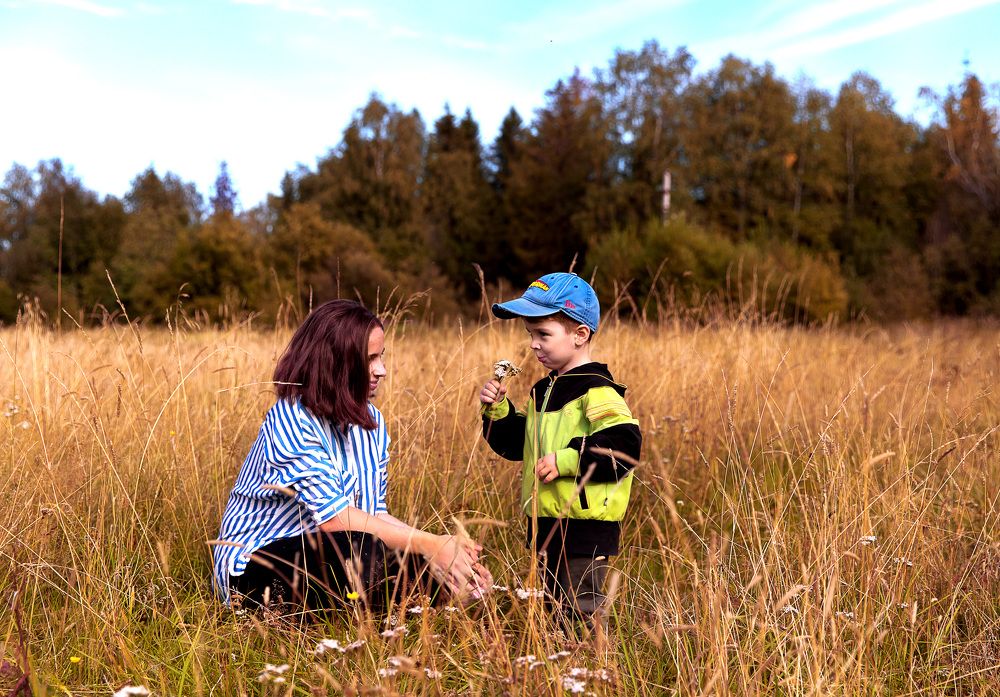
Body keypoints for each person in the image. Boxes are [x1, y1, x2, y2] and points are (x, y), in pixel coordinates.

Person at [213, 299, 491, 611]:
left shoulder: (371, 422)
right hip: (253, 571)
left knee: (419, 563)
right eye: (369, 359)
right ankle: (308, 616)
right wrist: (433, 544)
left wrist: (442, 553)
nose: (381, 370)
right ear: (334, 362)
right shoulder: (290, 419)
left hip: (334, 553)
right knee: (364, 553)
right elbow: (336, 520)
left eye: (381, 357)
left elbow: (373, 515)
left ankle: (435, 595)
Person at [478, 272, 641, 627]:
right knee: (553, 613)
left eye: (543, 334)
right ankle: (560, 678)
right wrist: (498, 411)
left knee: (582, 612)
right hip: (548, 522)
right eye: (530, 335)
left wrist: (568, 460)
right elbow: (518, 445)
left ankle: (592, 676)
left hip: (585, 526)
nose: (534, 344)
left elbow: (625, 446)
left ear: (580, 335)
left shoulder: (597, 390)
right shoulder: (544, 389)